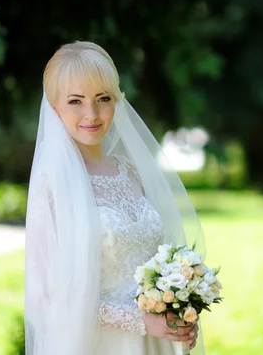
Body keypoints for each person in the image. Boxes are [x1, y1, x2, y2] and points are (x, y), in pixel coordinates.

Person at [24, 41, 206, 354]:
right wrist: (139, 321)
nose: (91, 113)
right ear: (55, 109)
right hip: (99, 343)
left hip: (155, 342)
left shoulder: (131, 171)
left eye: (103, 98)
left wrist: (178, 309)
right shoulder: (51, 185)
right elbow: (45, 296)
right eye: (75, 101)